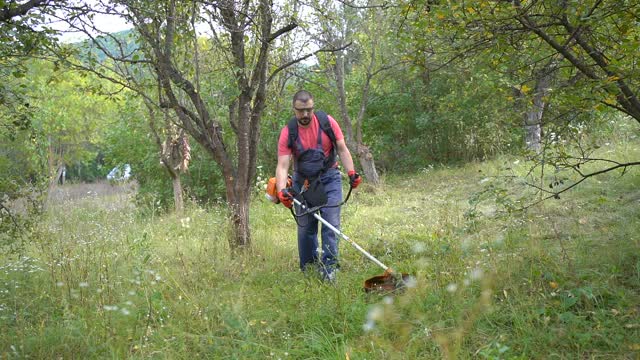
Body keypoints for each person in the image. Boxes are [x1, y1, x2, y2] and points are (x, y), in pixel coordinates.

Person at [275, 90, 362, 282]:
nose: (305, 115)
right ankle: (310, 269)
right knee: (306, 228)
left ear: (313, 107)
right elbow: (282, 165)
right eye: (301, 111)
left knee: (331, 223)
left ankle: (330, 268)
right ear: (294, 109)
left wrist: (351, 172)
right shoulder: (288, 131)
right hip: (303, 182)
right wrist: (282, 190)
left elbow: (342, 148)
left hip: (329, 177)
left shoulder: (327, 122)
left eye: (309, 110)